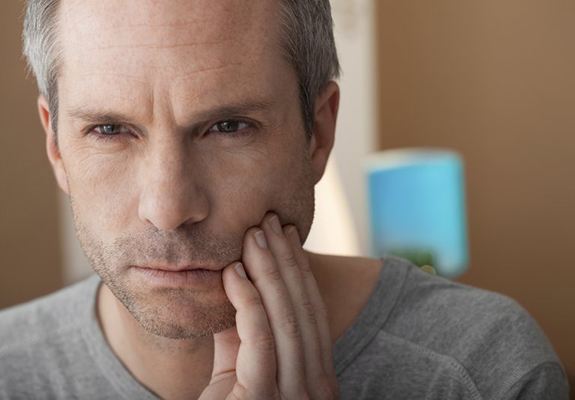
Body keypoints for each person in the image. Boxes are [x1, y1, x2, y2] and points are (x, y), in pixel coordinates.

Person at [0, 0, 569, 399]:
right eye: (109, 131)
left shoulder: (481, 372)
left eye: (227, 126)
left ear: (317, 134)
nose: (169, 208)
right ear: (55, 146)